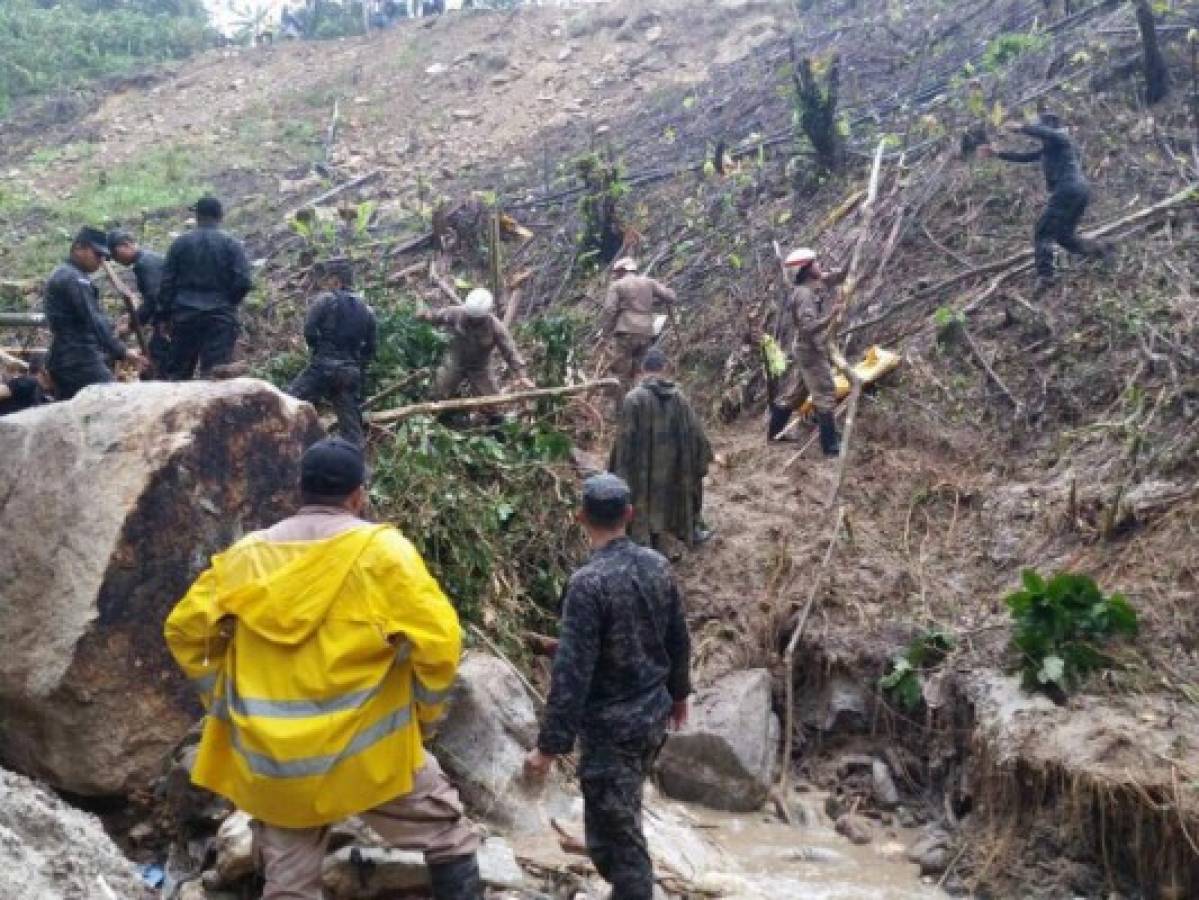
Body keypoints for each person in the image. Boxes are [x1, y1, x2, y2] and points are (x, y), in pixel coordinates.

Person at [163, 438, 483, 900]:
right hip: (369, 757)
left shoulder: (247, 556)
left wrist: (221, 700)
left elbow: (184, 631)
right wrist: (424, 718)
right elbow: (441, 643)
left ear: (300, 490)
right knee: (448, 836)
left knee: (289, 886)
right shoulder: (383, 553)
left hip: (274, 765)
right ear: (358, 495)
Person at [524, 473, 692, 900]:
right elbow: (678, 637)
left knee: (621, 847)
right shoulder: (657, 566)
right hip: (650, 718)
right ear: (630, 515)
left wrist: (548, 747)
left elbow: (572, 672)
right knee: (609, 833)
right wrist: (679, 695)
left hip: (611, 729)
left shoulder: (587, 584)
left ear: (580, 517)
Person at [978, 113, 1111, 294]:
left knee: (1042, 231)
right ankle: (1101, 250)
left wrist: (1021, 127)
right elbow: (1024, 157)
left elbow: (1046, 133)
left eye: (1041, 128)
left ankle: (1046, 277)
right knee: (1064, 236)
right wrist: (998, 153)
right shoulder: (1049, 149)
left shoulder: (1061, 139)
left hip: (1068, 190)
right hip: (1077, 191)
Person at [609, 348, 713, 550]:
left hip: (642, 475)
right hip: (673, 472)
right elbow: (697, 435)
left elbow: (623, 442)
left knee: (642, 504)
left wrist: (617, 474)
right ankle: (686, 533)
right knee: (669, 502)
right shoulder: (679, 399)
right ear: (664, 368)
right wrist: (700, 461)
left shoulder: (633, 399)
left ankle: (644, 542)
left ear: (642, 369)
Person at [43, 227, 145, 399]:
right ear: (78, 248)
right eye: (97, 254)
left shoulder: (68, 274)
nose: (101, 260)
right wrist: (122, 351)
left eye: (104, 256)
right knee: (109, 402)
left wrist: (114, 329)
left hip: (68, 357)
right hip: (79, 359)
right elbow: (93, 320)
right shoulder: (74, 279)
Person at [160, 196, 253, 380]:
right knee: (216, 376)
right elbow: (243, 281)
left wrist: (164, 315)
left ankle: (178, 408)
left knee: (178, 376)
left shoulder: (180, 244)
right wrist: (227, 302)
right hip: (219, 318)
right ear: (220, 216)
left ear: (197, 216)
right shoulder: (231, 244)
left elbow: (166, 284)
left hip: (185, 317)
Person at [287, 259, 377, 447]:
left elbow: (310, 329)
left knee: (287, 403)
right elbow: (370, 348)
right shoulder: (368, 311)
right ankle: (356, 465)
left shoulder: (326, 300)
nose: (327, 283)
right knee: (351, 426)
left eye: (329, 279)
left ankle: (282, 447)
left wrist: (319, 350)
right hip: (349, 372)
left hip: (323, 366)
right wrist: (356, 365)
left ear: (337, 281)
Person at [768, 247, 846, 456]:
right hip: (810, 350)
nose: (820, 266)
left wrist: (844, 271)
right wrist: (832, 316)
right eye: (816, 264)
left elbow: (831, 279)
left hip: (807, 348)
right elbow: (808, 328)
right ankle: (830, 447)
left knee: (795, 395)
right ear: (808, 270)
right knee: (825, 392)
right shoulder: (804, 295)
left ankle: (774, 434)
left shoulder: (811, 284)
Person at [418, 288, 534, 402]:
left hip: (480, 367)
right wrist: (424, 316)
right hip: (454, 360)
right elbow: (437, 316)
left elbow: (510, 351)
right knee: (437, 394)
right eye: (470, 317)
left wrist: (522, 375)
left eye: (476, 319)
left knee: (492, 403)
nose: (472, 320)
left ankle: (492, 417)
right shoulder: (456, 313)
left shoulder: (495, 327)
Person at [601, 258, 677, 401]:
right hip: (646, 333)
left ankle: (623, 410)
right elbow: (670, 297)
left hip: (625, 332)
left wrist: (606, 332)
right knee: (641, 372)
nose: (616, 275)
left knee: (622, 373)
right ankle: (643, 406)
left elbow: (609, 309)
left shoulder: (617, 285)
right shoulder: (649, 282)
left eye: (617, 272)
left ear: (622, 271)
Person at [108, 230, 171, 377]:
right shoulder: (148, 261)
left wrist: (133, 324)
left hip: (169, 322)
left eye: (115, 254)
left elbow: (154, 299)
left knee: (155, 365)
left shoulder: (145, 263)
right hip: (168, 320)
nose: (116, 260)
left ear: (126, 245)